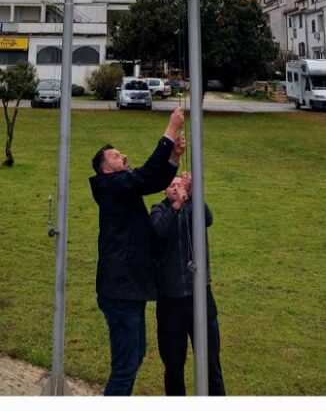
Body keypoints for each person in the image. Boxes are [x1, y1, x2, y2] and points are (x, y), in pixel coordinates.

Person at [89, 105, 186, 395]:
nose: (124, 157)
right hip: (120, 292)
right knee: (125, 366)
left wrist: (173, 160)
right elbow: (143, 178)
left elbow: (152, 181)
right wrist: (170, 131)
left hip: (129, 291)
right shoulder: (111, 186)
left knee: (134, 357)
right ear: (106, 168)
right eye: (117, 157)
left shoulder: (120, 186)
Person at [149, 172, 226, 395]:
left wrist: (192, 196)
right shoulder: (159, 210)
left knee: (211, 363)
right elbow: (159, 232)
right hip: (170, 302)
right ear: (164, 191)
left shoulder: (194, 207)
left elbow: (208, 218)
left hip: (200, 296)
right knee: (173, 367)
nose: (176, 187)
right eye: (171, 184)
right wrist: (176, 206)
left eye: (179, 184)